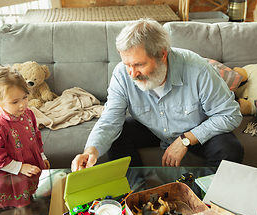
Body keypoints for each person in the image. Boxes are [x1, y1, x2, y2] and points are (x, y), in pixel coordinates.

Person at [71, 18, 244, 172]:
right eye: (127, 65)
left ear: (162, 54)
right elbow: (110, 120)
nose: (132, 73)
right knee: (117, 136)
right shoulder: (122, 74)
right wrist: (90, 151)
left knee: (230, 149)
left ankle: (202, 199)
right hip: (152, 128)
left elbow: (230, 114)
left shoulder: (197, 69)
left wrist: (186, 139)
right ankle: (135, 194)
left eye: (139, 64)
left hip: (195, 129)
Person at [0, 66, 50, 215]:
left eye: (25, 97)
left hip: (27, 168)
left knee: (25, 202)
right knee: (10, 208)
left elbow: (36, 136)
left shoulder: (28, 114)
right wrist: (20, 167)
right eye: (14, 102)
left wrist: (42, 156)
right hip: (9, 174)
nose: (22, 104)